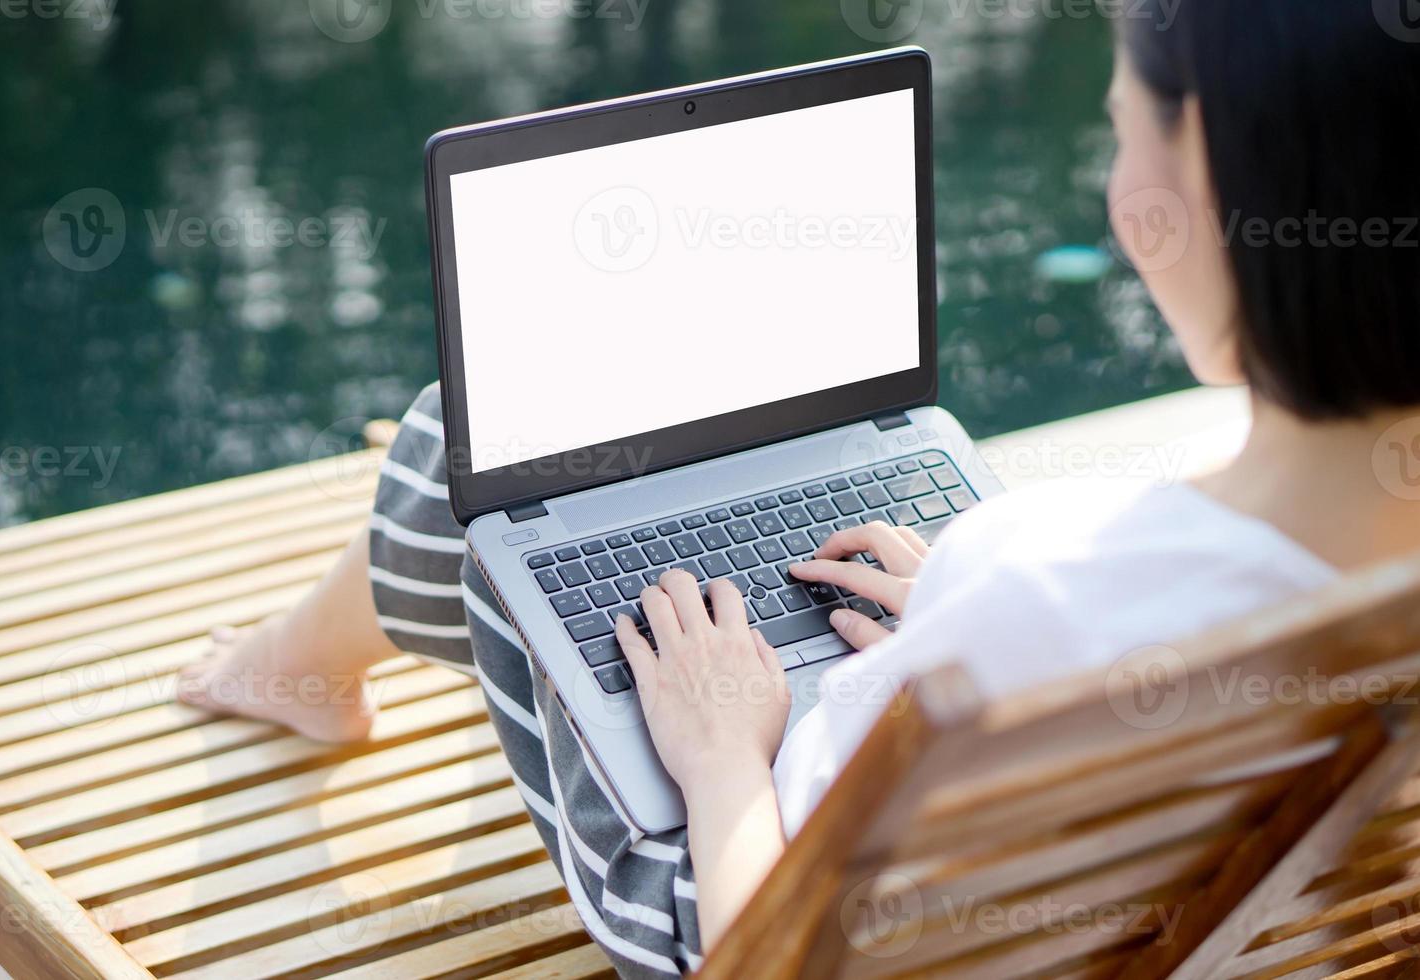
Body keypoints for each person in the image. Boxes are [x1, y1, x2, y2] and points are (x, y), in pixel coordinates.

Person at [177, 2, 1420, 974]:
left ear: (1205, 183)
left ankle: (297, 671)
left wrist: (722, 752)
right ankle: (313, 664)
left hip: (732, 893)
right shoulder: (1085, 594)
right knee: (544, 489)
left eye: (1122, 131)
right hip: (1188, 925)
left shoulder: (1039, 583)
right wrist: (971, 627)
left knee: (479, 472)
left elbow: (763, 955)